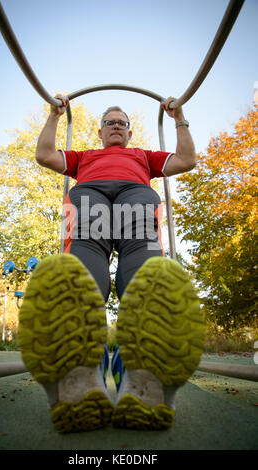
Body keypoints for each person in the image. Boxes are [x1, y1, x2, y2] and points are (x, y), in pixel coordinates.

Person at [18, 95, 205, 433]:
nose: (116, 126)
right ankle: (78, 374)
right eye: (110, 123)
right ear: (100, 132)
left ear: (130, 134)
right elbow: (44, 154)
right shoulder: (85, 157)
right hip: (91, 197)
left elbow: (187, 159)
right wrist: (54, 116)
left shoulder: (143, 157)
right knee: (84, 272)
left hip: (136, 197)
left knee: (146, 275)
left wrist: (179, 117)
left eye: (122, 123)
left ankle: (146, 378)